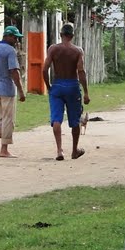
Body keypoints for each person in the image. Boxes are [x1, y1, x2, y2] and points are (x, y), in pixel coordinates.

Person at [43, 22, 91, 161]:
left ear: (61, 34)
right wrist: (86, 92)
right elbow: (81, 71)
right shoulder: (77, 51)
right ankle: (74, 150)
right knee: (75, 120)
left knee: (56, 118)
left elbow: (44, 69)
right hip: (72, 86)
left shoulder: (53, 49)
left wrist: (49, 86)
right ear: (72, 35)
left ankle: (59, 150)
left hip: (57, 85)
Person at [0, 25, 26, 158]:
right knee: (8, 119)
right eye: (15, 37)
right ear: (8, 36)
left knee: (1, 117)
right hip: (7, 89)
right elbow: (14, 71)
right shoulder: (10, 51)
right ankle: (4, 149)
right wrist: (21, 91)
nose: (16, 40)